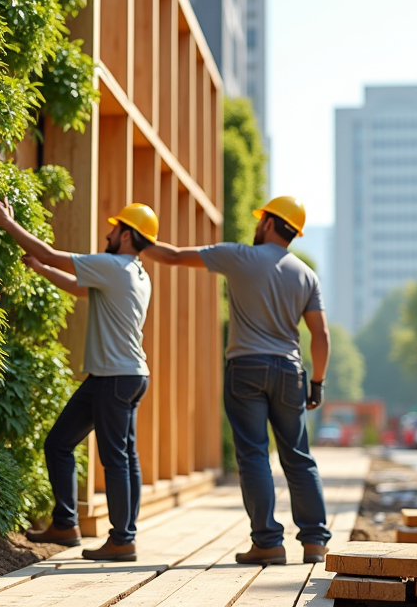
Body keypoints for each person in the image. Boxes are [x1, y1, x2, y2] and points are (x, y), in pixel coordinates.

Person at [141, 195, 331, 566]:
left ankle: (268, 542)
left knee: (254, 454)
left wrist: (135, 238)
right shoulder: (306, 274)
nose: (257, 225)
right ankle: (315, 543)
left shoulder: (240, 255)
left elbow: (174, 256)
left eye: (262, 220)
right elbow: (320, 335)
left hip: (246, 368)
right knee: (298, 456)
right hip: (290, 371)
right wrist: (318, 382)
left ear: (270, 223)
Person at [0, 193, 158, 562]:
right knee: (62, 443)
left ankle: (123, 540)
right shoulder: (136, 274)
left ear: (127, 236)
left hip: (116, 378)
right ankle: (66, 524)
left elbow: (50, 252)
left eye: (115, 228)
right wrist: (41, 270)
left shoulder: (115, 265)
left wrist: (8, 224)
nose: (109, 233)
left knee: (117, 459)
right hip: (117, 377)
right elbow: (80, 288)